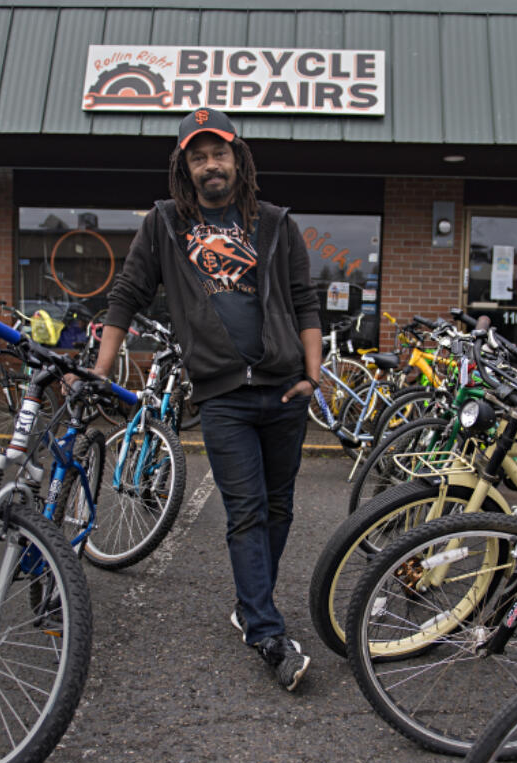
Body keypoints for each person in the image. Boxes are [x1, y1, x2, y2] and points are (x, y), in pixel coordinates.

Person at [90, 107, 322, 692]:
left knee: (280, 508)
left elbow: (304, 300)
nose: (210, 164)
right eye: (198, 156)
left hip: (285, 388)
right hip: (223, 397)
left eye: (218, 153)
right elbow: (126, 295)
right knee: (246, 512)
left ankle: (251, 604)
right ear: (185, 167)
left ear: (237, 159)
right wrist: (96, 370)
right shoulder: (165, 224)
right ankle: (267, 632)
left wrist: (312, 377)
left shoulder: (275, 223)